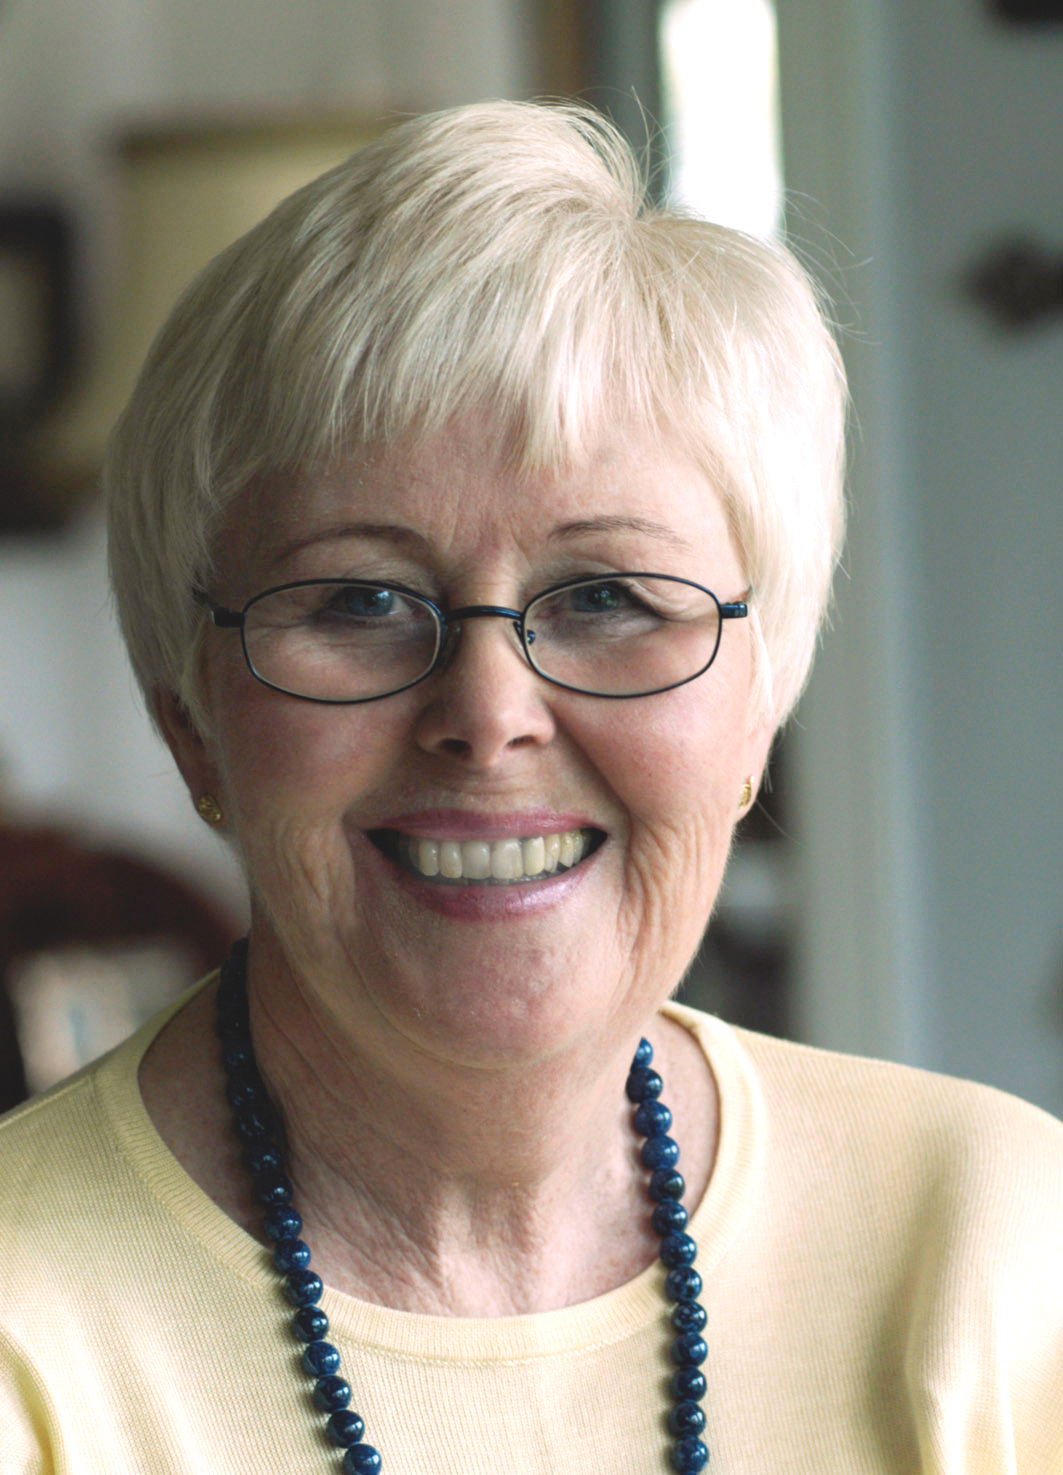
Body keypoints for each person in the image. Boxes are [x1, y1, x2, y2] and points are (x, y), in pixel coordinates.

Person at [1, 100, 1060, 1475]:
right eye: (360, 598)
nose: (490, 716)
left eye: (609, 595)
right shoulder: (29, 1328)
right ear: (190, 722)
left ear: (758, 707)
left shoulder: (999, 1248)